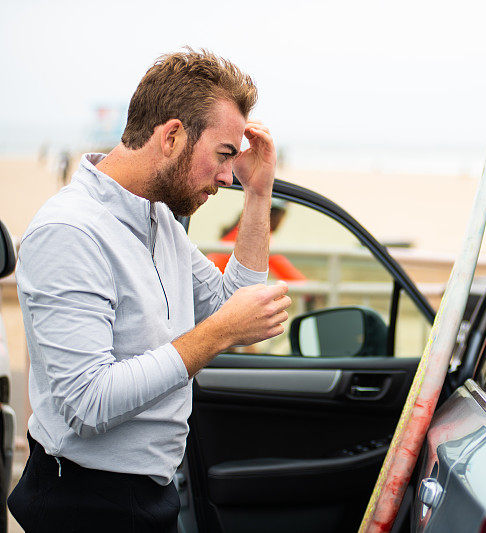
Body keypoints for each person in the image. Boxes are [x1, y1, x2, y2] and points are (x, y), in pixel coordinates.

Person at [8, 49, 291, 532]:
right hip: (85, 504)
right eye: (224, 154)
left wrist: (259, 194)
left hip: (148, 495)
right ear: (172, 136)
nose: (228, 176)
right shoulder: (70, 231)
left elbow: (233, 309)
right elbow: (87, 403)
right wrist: (217, 333)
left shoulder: (158, 218)